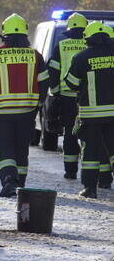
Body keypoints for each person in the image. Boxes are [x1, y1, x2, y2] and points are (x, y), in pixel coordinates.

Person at [0, 13, 49, 197]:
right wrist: (38, 103)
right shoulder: (35, 55)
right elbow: (44, 83)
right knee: (21, 149)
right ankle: (20, 184)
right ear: (25, 34)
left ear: (4, 34)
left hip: (2, 113)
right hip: (27, 113)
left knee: (4, 148)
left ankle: (9, 180)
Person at [64, 21, 114, 198]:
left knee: (91, 153)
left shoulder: (81, 57)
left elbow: (70, 84)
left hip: (91, 115)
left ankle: (89, 189)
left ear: (88, 38)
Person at [47, 12, 87, 179]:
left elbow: (53, 72)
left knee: (70, 134)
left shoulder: (61, 46)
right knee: (88, 134)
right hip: (88, 98)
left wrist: (55, 92)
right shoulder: (91, 46)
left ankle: (70, 171)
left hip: (67, 97)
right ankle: (90, 172)